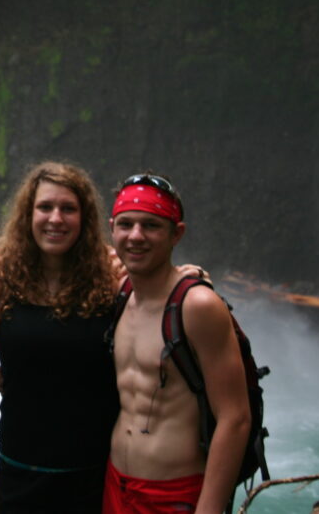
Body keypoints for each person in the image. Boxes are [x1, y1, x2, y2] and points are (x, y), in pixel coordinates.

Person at [0, 162, 200, 513]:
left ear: (84, 219)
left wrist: (185, 278)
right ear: (28, 215)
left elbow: (158, 297)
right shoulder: (0, 273)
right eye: (45, 207)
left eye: (68, 209)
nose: (55, 218)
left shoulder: (110, 272)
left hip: (92, 472)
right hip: (20, 469)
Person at [104, 173, 250, 514]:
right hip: (115, 484)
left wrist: (209, 507)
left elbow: (235, 417)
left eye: (151, 226)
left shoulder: (197, 305)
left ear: (176, 234)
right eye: (126, 224)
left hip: (174, 493)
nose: (136, 236)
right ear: (112, 229)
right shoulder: (119, 294)